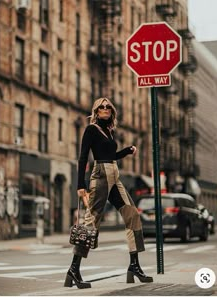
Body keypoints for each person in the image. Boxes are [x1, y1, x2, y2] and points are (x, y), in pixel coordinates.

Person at [64, 97, 153, 289]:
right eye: (101, 107)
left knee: (132, 215)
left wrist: (127, 151)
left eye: (108, 107)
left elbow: (111, 156)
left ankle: (134, 265)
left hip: (115, 176)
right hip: (101, 177)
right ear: (96, 111)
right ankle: (74, 269)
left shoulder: (109, 132)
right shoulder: (91, 130)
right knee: (90, 223)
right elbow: (83, 157)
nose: (105, 109)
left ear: (112, 111)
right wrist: (80, 184)